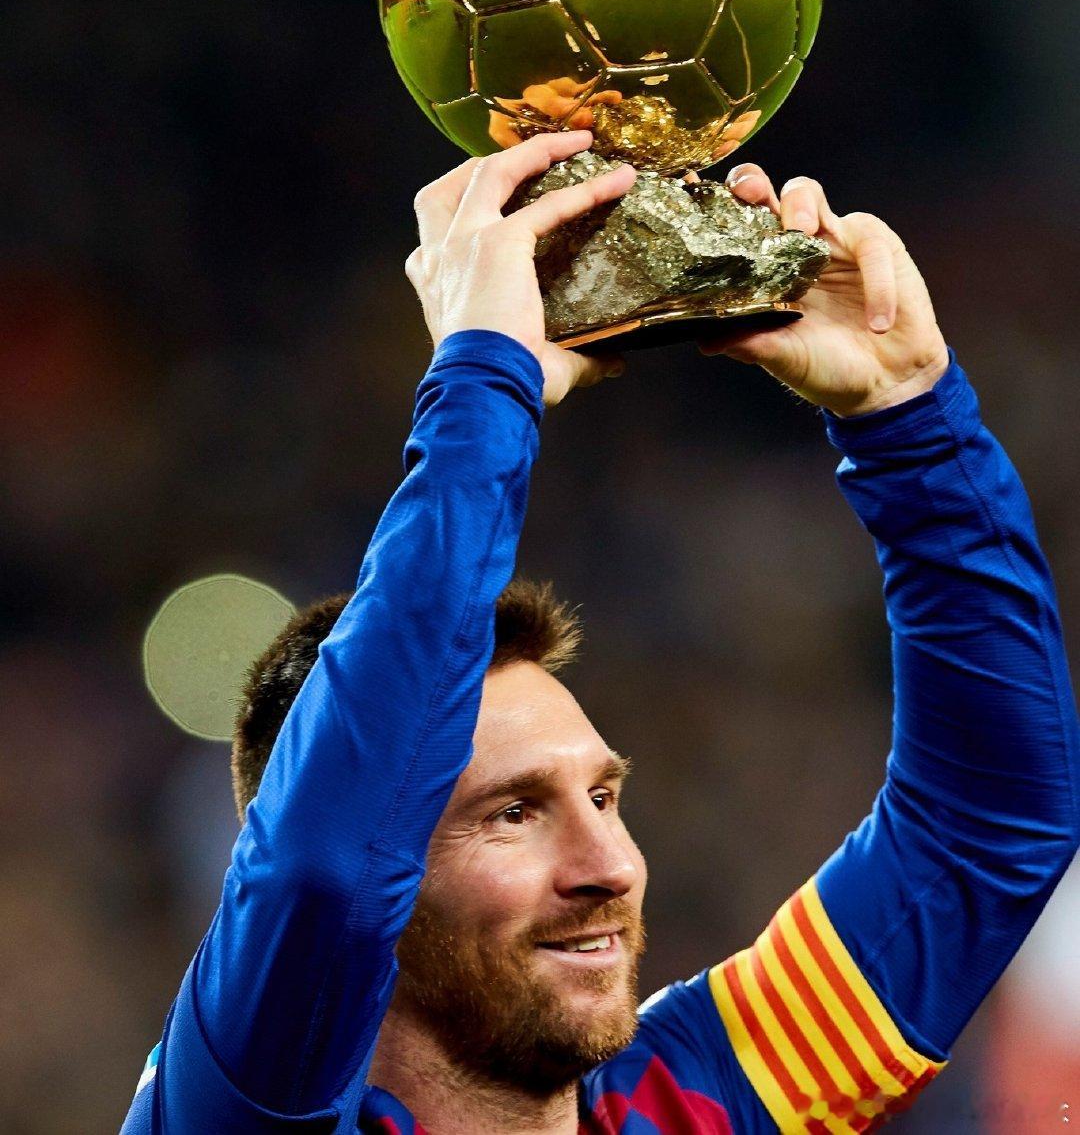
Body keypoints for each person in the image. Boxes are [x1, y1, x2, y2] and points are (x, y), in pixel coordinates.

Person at [122, 131, 1080, 1133]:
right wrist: (484, 380)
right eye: (512, 813)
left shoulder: (693, 1102)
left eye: (603, 796)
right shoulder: (238, 1109)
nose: (610, 866)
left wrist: (910, 422)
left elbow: (986, 827)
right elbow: (325, 878)